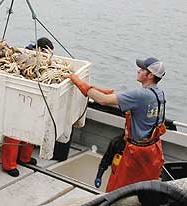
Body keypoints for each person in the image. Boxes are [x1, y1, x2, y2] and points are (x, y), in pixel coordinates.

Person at [66, 57, 166, 192]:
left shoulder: (140, 95)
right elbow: (113, 94)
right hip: (154, 150)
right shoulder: (158, 93)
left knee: (119, 190)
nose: (138, 71)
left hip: (138, 154)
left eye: (142, 69)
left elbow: (103, 100)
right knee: (144, 190)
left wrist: (76, 81)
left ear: (150, 75)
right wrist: (90, 86)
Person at [1, 37, 54, 177]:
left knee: (32, 130)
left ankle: (25, 158)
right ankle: (9, 165)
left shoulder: (45, 61)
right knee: (13, 133)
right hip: (17, 101)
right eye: (45, 53)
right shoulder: (22, 57)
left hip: (34, 102)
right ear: (39, 49)